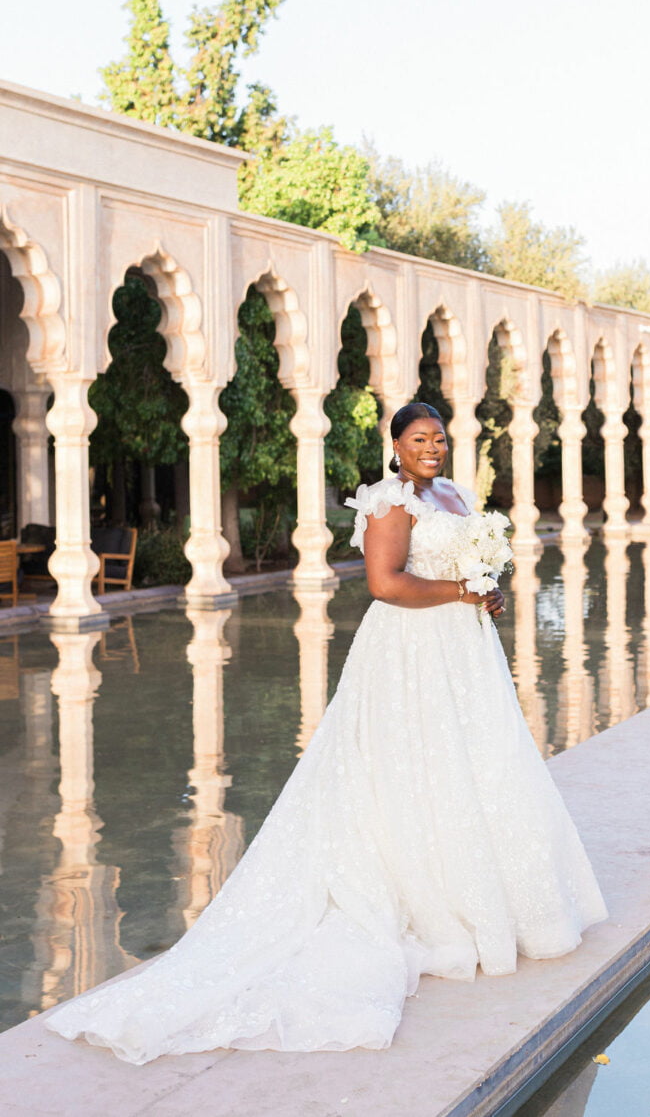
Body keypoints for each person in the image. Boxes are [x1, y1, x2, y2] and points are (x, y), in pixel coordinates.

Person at [45, 402, 607, 1065]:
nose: (431, 447)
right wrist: (461, 588)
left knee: (479, 766)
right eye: (418, 438)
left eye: (438, 438)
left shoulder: (453, 492)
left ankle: (488, 898)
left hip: (464, 651)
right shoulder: (388, 499)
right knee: (412, 769)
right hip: (410, 654)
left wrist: (484, 592)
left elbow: (461, 566)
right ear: (395, 443)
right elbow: (385, 582)